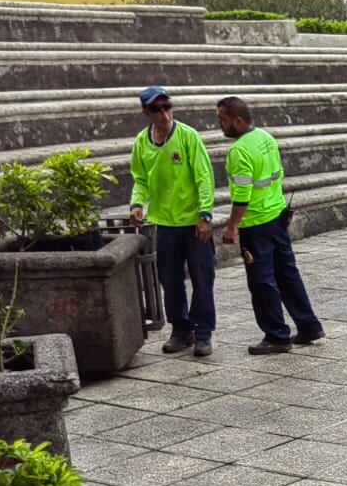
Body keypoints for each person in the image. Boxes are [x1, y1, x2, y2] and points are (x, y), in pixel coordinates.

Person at [215, 96, 324, 355]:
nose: (220, 125)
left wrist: (231, 227)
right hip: (277, 216)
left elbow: (242, 196)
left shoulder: (239, 151)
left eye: (222, 120)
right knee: (287, 274)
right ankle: (309, 325)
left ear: (238, 121)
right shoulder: (265, 137)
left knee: (262, 281)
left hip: (256, 224)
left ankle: (276, 335)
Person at [128, 86, 216, 357]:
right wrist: (136, 204)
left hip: (192, 221)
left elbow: (204, 177)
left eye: (167, 107)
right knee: (170, 279)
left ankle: (203, 332)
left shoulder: (188, 137)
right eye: (157, 109)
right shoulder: (142, 142)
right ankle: (181, 329)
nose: (164, 113)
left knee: (202, 278)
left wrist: (205, 215)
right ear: (146, 112)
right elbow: (140, 179)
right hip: (163, 221)